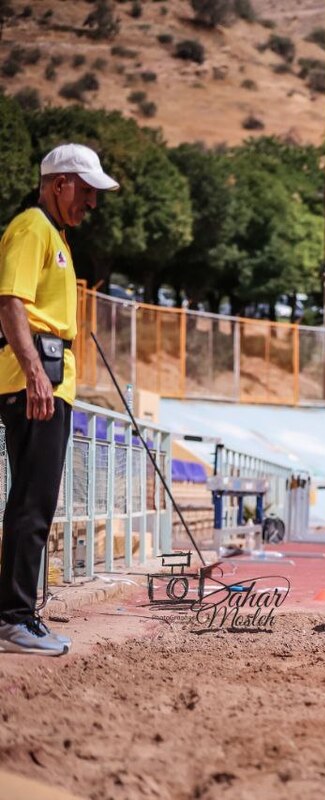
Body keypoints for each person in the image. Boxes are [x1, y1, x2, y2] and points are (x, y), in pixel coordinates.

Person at [0, 143, 118, 656]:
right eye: (86, 190)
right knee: (32, 500)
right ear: (59, 183)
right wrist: (34, 374)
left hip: (50, 376)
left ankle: (19, 614)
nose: (91, 202)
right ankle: (15, 618)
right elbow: (10, 303)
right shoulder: (31, 229)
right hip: (36, 380)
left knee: (36, 500)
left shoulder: (56, 236)